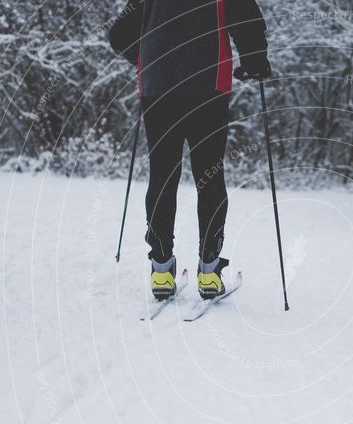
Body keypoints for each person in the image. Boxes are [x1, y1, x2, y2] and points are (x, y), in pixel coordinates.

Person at [109, 0, 271, 300]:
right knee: (209, 176)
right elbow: (247, 21)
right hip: (208, 86)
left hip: (158, 86)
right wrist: (254, 63)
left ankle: (160, 269)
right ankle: (209, 272)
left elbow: (119, 34)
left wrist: (146, 56)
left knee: (162, 175)